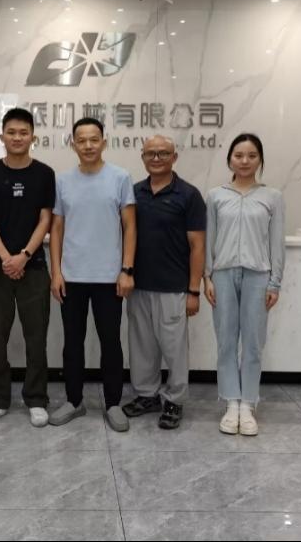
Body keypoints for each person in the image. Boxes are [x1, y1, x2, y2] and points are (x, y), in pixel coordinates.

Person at [49, 117, 136, 433]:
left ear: (104, 142)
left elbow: (130, 226)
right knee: (72, 342)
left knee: (110, 342)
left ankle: (113, 403)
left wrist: (126, 270)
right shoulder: (62, 180)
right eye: (82, 140)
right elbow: (57, 228)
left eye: (94, 139)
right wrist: (56, 272)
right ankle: (74, 401)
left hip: (109, 277)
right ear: (73, 144)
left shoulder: (120, 177)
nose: (88, 145)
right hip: (72, 276)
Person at [0, 108, 55, 428]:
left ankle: (36, 398)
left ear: (33, 136)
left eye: (23, 132)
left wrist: (24, 255)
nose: (17, 137)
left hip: (33, 267)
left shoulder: (44, 173)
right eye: (11, 132)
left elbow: (45, 219)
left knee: (36, 337)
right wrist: (7, 257)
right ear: (2, 136)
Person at [122, 135, 206, 430]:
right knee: (142, 346)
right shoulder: (134, 193)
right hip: (138, 285)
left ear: (174, 157)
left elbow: (198, 246)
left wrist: (193, 290)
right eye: (150, 154)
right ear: (142, 157)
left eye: (163, 153)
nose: (156, 158)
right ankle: (147, 395)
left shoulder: (189, 195)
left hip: (174, 287)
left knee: (174, 349)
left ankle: (174, 400)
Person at [204, 133, 285, 437]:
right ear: (229, 160)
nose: (245, 161)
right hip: (223, 275)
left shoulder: (272, 197)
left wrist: (275, 282)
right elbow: (209, 239)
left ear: (260, 160)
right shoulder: (215, 196)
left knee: (253, 342)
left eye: (252, 156)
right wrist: (207, 277)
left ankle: (249, 403)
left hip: (258, 276)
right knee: (226, 341)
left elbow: (277, 243)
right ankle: (231, 402)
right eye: (239, 155)